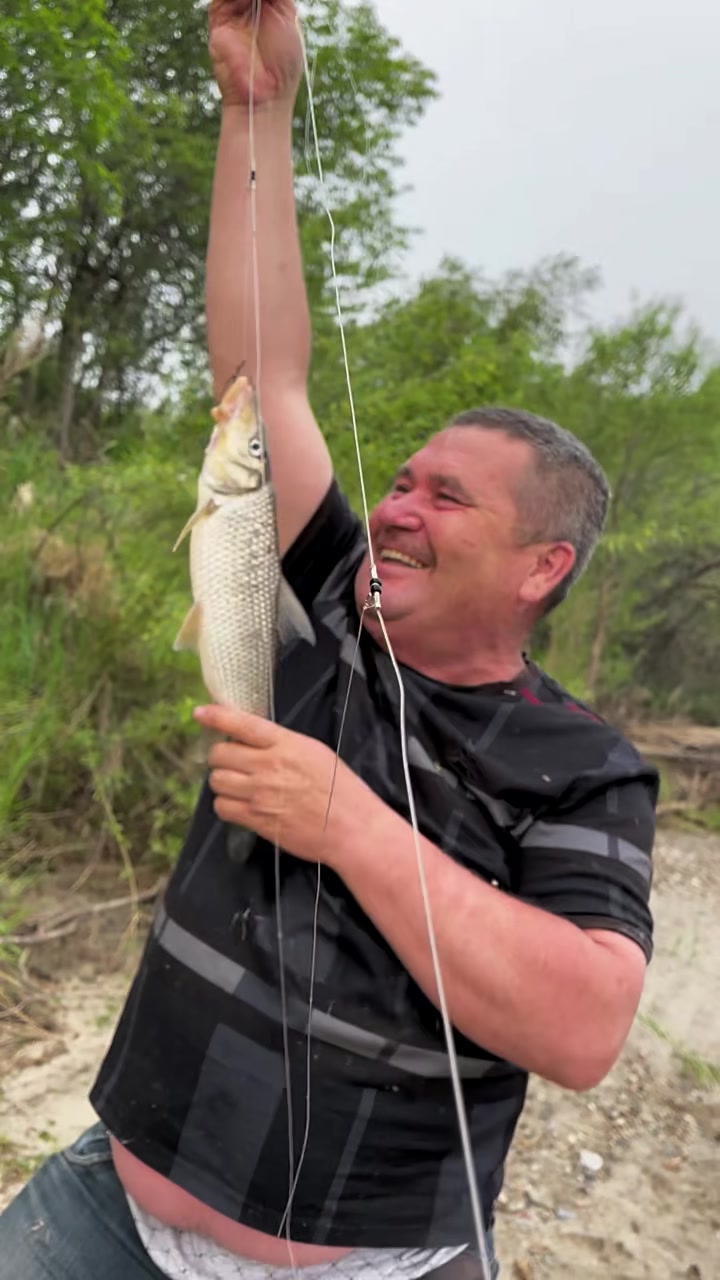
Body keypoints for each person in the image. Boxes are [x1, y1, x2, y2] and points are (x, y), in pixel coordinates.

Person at [0, 3, 657, 1278]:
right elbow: (265, 378)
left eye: (445, 497)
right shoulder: (328, 601)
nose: (398, 507)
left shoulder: (586, 765)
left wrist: (345, 816)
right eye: (402, 480)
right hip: (104, 1216)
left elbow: (584, 1026)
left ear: (544, 566)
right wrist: (257, 107)